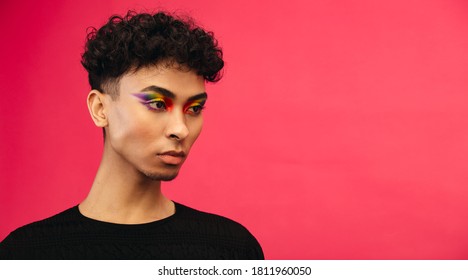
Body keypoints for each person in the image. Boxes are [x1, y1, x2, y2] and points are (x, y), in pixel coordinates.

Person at [0, 10, 264, 260]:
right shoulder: (25, 255)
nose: (181, 129)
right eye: (158, 104)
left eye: (194, 108)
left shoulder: (230, 250)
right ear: (100, 109)